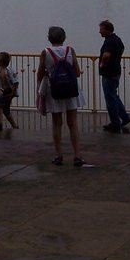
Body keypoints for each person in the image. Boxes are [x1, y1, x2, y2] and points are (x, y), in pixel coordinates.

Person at [37, 26, 85, 166]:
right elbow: (77, 72)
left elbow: (40, 73)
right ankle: (77, 155)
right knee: (73, 123)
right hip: (70, 90)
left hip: (54, 91)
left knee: (57, 123)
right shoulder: (70, 50)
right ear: (64, 38)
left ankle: (59, 156)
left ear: (49, 38)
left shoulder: (46, 52)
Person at [98, 20, 130, 133]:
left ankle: (115, 123)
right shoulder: (117, 40)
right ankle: (124, 117)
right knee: (114, 95)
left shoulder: (109, 41)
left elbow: (106, 55)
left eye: (101, 29)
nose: (99, 32)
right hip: (116, 71)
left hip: (109, 73)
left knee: (110, 98)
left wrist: (102, 64)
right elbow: (122, 49)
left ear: (107, 30)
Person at [0, 51, 19, 130]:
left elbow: (16, 82)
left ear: (1, 62)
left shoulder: (8, 71)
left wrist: (12, 94)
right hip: (5, 92)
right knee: (6, 110)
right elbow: (0, 86)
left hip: (9, 92)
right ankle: (15, 126)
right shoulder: (2, 69)